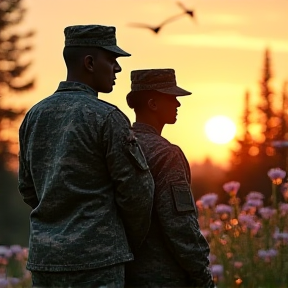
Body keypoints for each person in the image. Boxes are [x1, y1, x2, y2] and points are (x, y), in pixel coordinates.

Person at [18, 25, 154, 288]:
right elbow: (137, 194)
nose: (118, 69)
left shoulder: (34, 116)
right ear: (90, 63)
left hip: (46, 263)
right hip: (98, 265)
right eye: (112, 60)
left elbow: (27, 188)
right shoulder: (107, 117)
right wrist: (121, 241)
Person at [125, 68, 215, 288]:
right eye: (172, 98)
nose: (178, 104)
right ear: (153, 104)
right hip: (163, 277)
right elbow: (180, 226)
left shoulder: (117, 145)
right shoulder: (166, 154)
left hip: (122, 273)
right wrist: (202, 277)